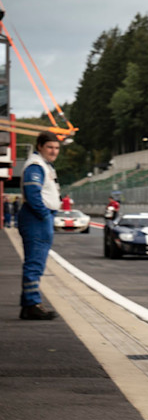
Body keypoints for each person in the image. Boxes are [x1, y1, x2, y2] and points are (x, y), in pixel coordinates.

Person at [18, 132, 62, 320]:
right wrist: (44, 215)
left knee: (36, 262)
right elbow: (33, 193)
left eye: (57, 148)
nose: (54, 151)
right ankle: (32, 304)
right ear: (40, 147)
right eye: (50, 147)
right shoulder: (36, 166)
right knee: (35, 263)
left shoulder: (44, 165)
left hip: (39, 217)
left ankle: (29, 303)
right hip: (36, 217)